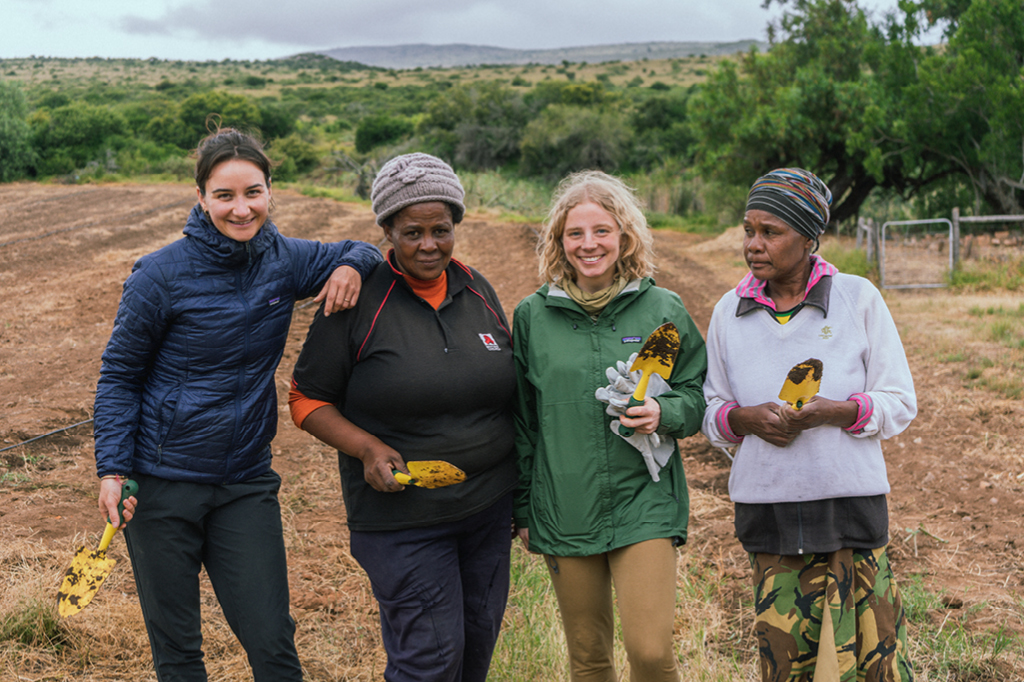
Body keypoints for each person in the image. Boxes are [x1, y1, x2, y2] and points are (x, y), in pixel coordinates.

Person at [93, 127, 382, 682]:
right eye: (224, 195)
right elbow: (120, 375)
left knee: (273, 643)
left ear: (271, 192)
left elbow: (361, 248)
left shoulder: (284, 260)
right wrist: (112, 469)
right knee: (179, 654)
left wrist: (350, 268)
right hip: (161, 484)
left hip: (244, 481)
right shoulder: (159, 275)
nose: (241, 208)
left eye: (253, 192)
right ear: (200, 198)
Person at [288, 152, 517, 682]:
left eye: (441, 229)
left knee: (475, 650)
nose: (429, 245)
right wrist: (366, 447)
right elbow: (305, 398)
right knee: (430, 660)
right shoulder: (357, 298)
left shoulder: (477, 289)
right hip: (403, 521)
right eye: (412, 232)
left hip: (486, 509)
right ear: (387, 229)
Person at [701, 168, 917, 681]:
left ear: (809, 238)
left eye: (770, 232)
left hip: (851, 512)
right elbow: (711, 411)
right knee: (786, 665)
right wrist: (743, 419)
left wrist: (838, 411)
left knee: (873, 665)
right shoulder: (728, 313)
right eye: (748, 230)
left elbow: (899, 401)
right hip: (769, 513)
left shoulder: (857, 299)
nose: (754, 244)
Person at [512, 170, 707, 682]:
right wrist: (522, 508)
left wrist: (665, 414)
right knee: (590, 659)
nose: (588, 244)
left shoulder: (662, 308)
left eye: (601, 230)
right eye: (575, 233)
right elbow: (523, 419)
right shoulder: (532, 317)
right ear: (559, 242)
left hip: (644, 500)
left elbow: (696, 394)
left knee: (649, 653)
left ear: (625, 236)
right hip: (565, 504)